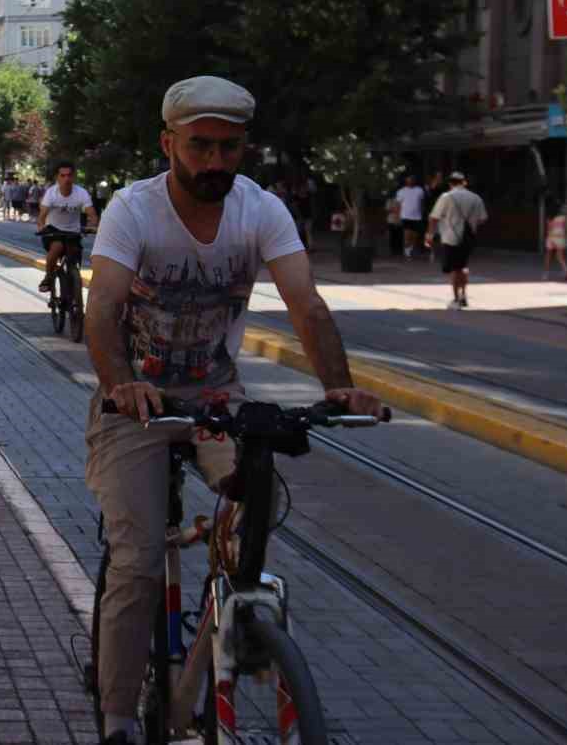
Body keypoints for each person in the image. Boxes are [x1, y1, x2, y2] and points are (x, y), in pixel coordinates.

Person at [82, 76, 382, 745]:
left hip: (217, 397)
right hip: (137, 404)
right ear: (169, 144)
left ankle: (226, 612)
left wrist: (339, 385)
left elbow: (307, 305)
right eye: (200, 147)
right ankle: (120, 716)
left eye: (229, 147)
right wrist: (121, 382)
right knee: (134, 560)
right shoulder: (134, 209)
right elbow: (101, 309)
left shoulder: (260, 211)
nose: (215, 161)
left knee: (258, 505)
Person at [428, 171, 488, 309]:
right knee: (463, 266)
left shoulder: (446, 196)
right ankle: (464, 295)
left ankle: (456, 299)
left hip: (450, 237)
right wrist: (470, 224)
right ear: (464, 182)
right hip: (469, 237)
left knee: (455, 268)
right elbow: (483, 218)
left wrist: (430, 235)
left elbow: (434, 217)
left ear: (450, 183)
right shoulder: (475, 197)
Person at [37, 161, 96, 292]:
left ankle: (74, 291)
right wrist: (41, 227)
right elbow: (42, 216)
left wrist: (92, 226)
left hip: (73, 232)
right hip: (53, 231)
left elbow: (92, 214)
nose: (66, 179)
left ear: (73, 176)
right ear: (57, 177)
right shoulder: (51, 193)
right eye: (62, 175)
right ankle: (48, 275)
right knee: (57, 246)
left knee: (74, 254)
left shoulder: (81, 193)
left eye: (69, 175)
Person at [396, 175, 428, 259]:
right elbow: (398, 205)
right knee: (407, 235)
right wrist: (398, 216)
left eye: (412, 179)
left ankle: (410, 250)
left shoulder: (419, 190)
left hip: (417, 216)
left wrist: (422, 213)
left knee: (414, 235)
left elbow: (422, 203)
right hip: (405, 216)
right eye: (409, 179)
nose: (410, 181)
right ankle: (407, 252)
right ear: (406, 180)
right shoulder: (401, 191)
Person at [543, 198, 567, 282]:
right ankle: (566, 270)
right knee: (560, 256)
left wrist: (548, 237)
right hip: (560, 237)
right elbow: (566, 229)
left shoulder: (549, 217)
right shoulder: (564, 217)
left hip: (551, 237)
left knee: (548, 256)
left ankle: (546, 274)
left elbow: (549, 229)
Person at [385, 188, 404, 257]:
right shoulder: (389, 200)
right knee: (393, 236)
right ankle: (393, 251)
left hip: (400, 220)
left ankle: (399, 250)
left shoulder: (402, 200)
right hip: (391, 220)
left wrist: (396, 209)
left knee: (399, 236)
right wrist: (395, 209)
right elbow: (388, 209)